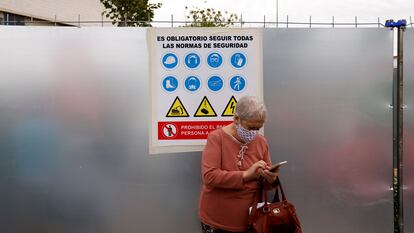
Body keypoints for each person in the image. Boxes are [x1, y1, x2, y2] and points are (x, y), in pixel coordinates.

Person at [199, 96, 279, 233]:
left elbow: (264, 182)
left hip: (253, 220)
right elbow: (210, 176)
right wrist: (247, 174)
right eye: (251, 127)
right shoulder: (217, 138)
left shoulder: (261, 142)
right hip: (218, 221)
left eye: (258, 128)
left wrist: (271, 178)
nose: (254, 133)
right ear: (236, 119)